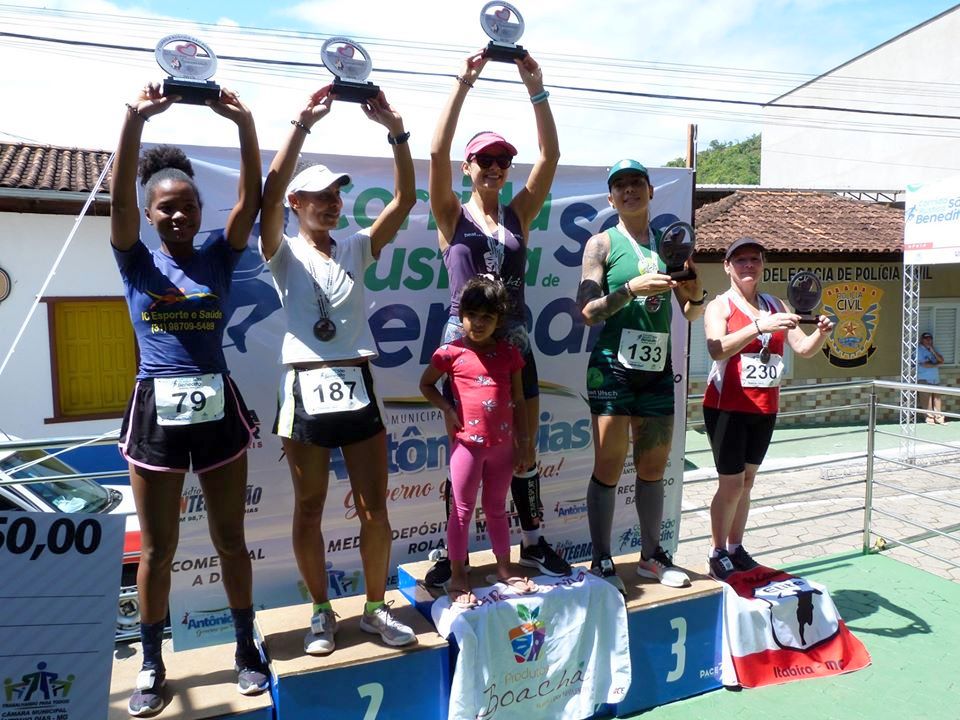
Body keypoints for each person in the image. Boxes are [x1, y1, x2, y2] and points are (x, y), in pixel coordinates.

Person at [110, 83, 266, 716]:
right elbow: (119, 194)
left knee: (231, 539)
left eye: (187, 207)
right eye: (166, 209)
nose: (177, 216)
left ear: (201, 209)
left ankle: (245, 650)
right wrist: (134, 119)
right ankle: (151, 662)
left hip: (217, 408)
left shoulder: (219, 259)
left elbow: (253, 198)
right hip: (156, 412)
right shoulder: (135, 263)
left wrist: (245, 122)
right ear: (149, 215)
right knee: (157, 549)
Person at [259, 86, 417, 655]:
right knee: (309, 507)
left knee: (376, 507)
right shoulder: (279, 249)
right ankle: (321, 612)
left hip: (356, 382)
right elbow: (267, 194)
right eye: (318, 197)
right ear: (296, 203)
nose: (330, 204)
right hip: (303, 383)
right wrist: (301, 123)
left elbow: (404, 198)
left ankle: (376, 609)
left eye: (336, 196)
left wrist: (395, 131)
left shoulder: (354, 248)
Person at [425, 49, 568, 585]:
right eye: (484, 160)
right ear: (469, 167)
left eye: (502, 161)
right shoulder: (450, 213)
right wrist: (462, 82)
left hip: (516, 342)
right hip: (462, 343)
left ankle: (533, 543)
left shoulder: (518, 214)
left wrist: (537, 89)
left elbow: (550, 157)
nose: (494, 168)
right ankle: (451, 552)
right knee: (464, 450)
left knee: (524, 445)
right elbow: (436, 151)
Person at [577, 159, 706, 593]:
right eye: (620, 185)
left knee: (653, 467)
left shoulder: (671, 242)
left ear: (651, 191)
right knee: (609, 466)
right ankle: (601, 559)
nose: (629, 190)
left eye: (637, 183)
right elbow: (588, 312)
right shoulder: (601, 245)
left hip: (656, 368)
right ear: (610, 198)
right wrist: (629, 290)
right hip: (612, 365)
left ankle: (652, 556)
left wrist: (696, 292)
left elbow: (690, 310)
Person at [702, 237, 834, 581]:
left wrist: (821, 333)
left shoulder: (775, 303)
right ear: (727, 266)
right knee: (729, 484)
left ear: (762, 266)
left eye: (755, 260)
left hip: (765, 406)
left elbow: (802, 349)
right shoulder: (721, 306)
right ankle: (717, 551)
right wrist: (759, 326)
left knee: (747, 482)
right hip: (726, 405)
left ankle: (736, 547)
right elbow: (717, 349)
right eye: (741, 260)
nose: (748, 265)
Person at [420, 277, 537, 606]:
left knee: (498, 509)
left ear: (499, 318)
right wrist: (447, 408)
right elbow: (426, 385)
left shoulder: (509, 353)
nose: (479, 323)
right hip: (466, 448)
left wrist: (524, 443)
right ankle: (459, 576)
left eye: (487, 316)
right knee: (460, 512)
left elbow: (519, 399)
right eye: (471, 315)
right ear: (462, 317)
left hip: (502, 449)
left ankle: (503, 569)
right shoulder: (450, 353)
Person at [917, 332, 946, 424]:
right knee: (926, 399)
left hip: (935, 377)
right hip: (924, 377)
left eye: (930, 338)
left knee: (937, 398)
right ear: (922, 340)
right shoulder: (918, 350)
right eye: (926, 339)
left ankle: (939, 417)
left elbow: (942, 360)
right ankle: (929, 418)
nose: (928, 340)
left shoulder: (933, 349)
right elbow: (924, 364)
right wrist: (938, 364)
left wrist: (933, 350)